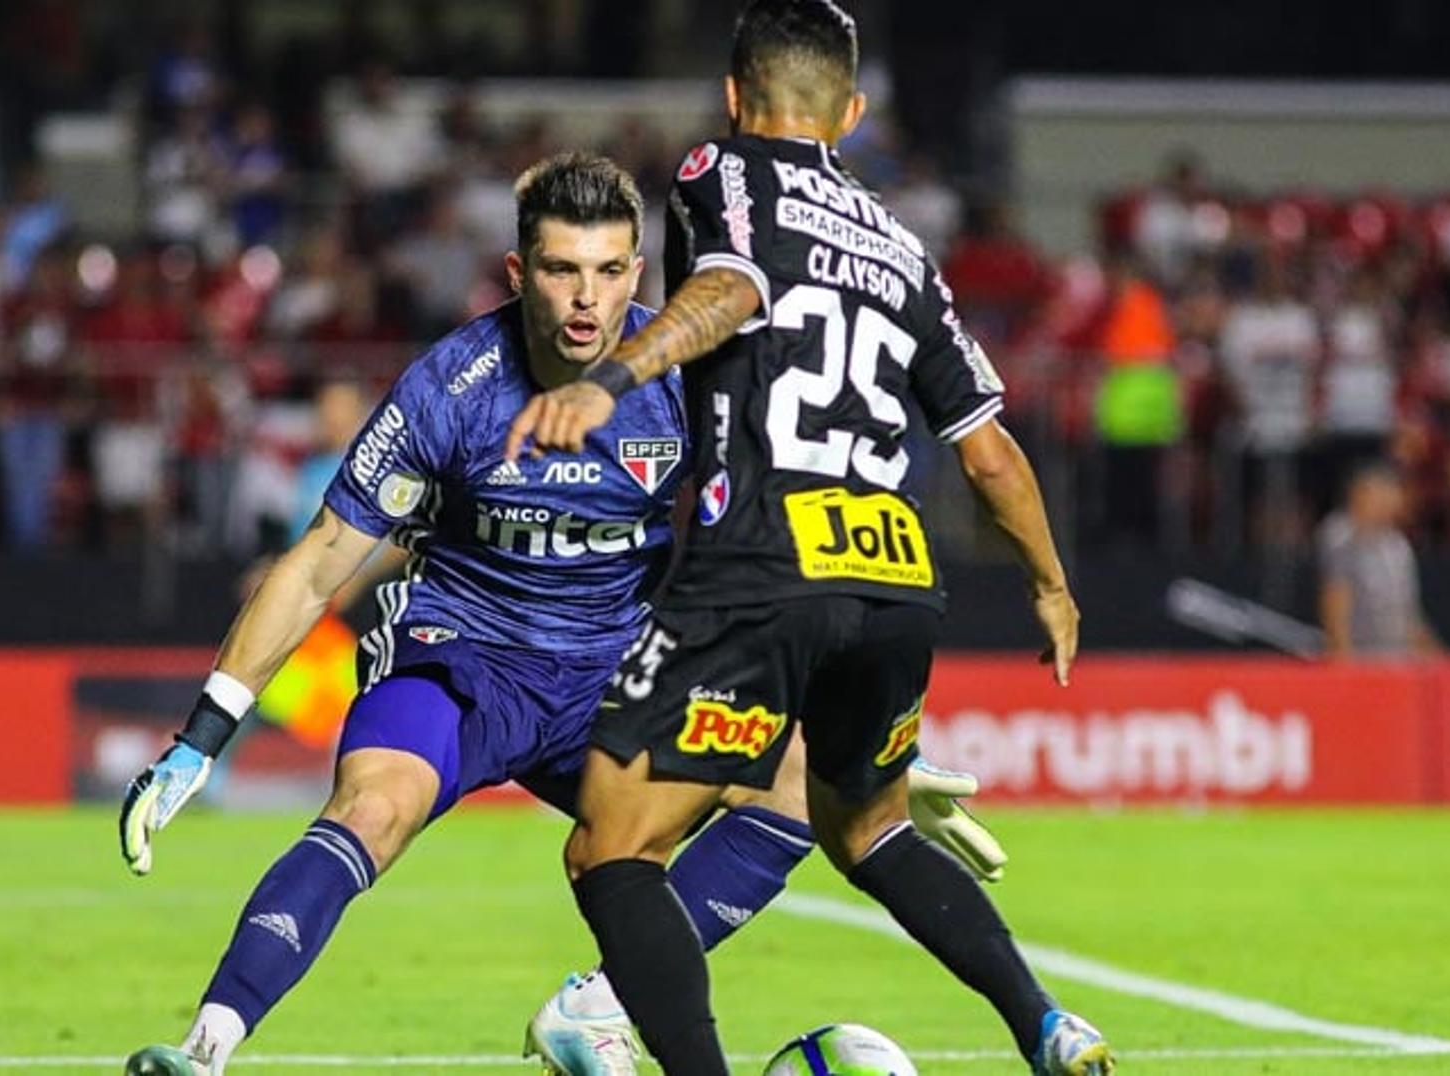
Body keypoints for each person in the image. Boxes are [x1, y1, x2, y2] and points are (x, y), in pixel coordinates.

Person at [118, 152, 1002, 1076]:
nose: (588, 298)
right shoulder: (449, 390)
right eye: (562, 270)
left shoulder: (688, 379)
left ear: (640, 273)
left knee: (800, 782)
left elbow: (778, 553)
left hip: (612, 682)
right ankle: (204, 1049)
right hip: (463, 659)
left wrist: (868, 750)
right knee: (374, 805)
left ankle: (597, 1008)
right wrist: (200, 737)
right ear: (518, 273)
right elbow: (315, 567)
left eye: (611, 271)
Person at [502, 3, 1112, 1074]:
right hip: (897, 573)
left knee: (609, 843)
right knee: (869, 827)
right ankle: (1049, 1024)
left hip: (765, 557)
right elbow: (989, 453)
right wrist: (1052, 587)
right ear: (853, 113)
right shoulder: (903, 248)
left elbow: (733, 288)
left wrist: (615, 377)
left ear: (736, 98)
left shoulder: (721, 173)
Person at [1317, 463, 1441, 659]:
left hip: (1397, 659)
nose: (1394, 502)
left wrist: (1436, 657)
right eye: (1386, 495)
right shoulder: (1341, 536)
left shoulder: (1398, 545)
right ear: (1362, 494)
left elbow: (1407, 612)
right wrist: (1342, 654)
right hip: (1362, 658)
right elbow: (1336, 597)